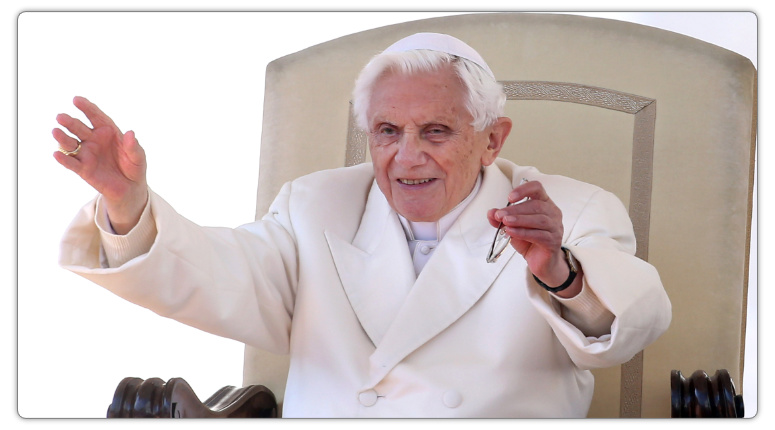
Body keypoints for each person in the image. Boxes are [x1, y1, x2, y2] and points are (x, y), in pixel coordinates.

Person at [54, 33, 671, 418]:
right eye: (386, 132)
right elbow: (221, 276)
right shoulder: (315, 203)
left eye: (436, 132)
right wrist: (126, 202)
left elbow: (629, 326)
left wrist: (559, 272)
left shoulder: (570, 210)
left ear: (491, 140)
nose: (406, 157)